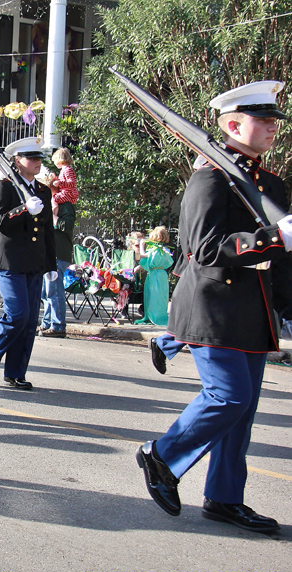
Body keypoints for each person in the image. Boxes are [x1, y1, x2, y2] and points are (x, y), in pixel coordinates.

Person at [136, 81, 292, 534]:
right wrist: (267, 238)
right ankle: (161, 455)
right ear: (232, 125)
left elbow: (281, 260)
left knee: (242, 415)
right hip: (213, 308)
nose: (271, 128)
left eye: (272, 121)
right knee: (229, 397)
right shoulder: (210, 177)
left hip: (254, 313)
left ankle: (224, 498)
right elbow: (203, 249)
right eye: (262, 121)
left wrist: (287, 305)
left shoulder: (272, 183)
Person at [0, 138, 56, 390]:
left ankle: (15, 372)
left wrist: (52, 264)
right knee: (18, 314)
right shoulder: (6, 186)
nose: (37, 162)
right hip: (9, 261)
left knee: (30, 319)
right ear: (16, 161)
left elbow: (48, 230)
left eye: (39, 158)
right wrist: (24, 209)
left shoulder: (44, 191)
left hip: (34, 262)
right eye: (31, 158)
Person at [39, 148, 77, 338]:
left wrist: (53, 220)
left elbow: (66, 225)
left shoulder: (65, 204)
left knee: (54, 291)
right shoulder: (55, 203)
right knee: (47, 292)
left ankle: (58, 326)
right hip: (50, 254)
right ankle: (47, 323)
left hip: (59, 254)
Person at [133, 226, 172, 326]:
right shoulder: (164, 249)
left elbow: (143, 256)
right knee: (161, 297)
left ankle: (153, 316)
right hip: (162, 275)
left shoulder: (155, 249)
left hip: (154, 275)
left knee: (152, 296)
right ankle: (160, 315)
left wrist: (141, 246)